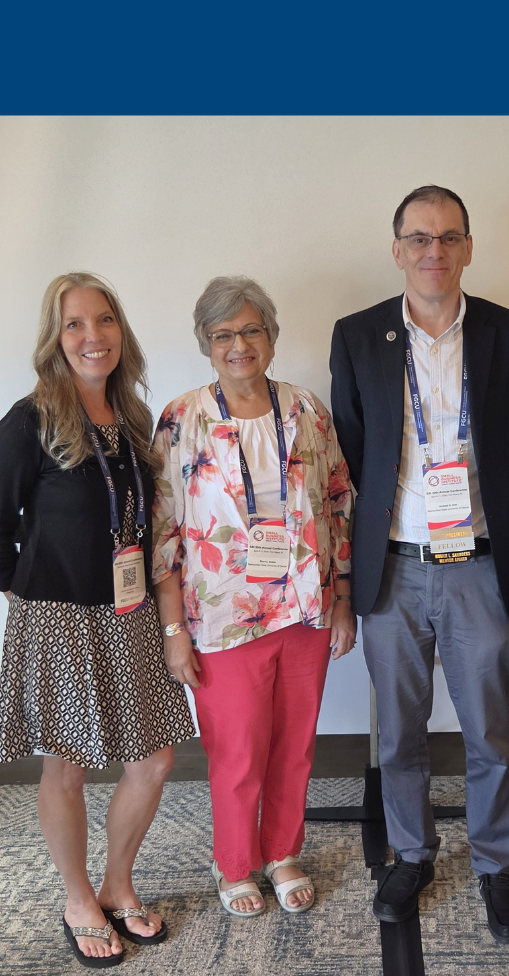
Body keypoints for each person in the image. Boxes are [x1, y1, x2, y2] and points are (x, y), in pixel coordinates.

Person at [327, 186, 509, 943]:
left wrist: (476, 519)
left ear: (469, 248)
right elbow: (354, 450)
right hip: (394, 567)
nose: (434, 252)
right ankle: (412, 854)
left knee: (490, 728)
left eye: (449, 238)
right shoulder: (358, 336)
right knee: (400, 732)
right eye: (419, 239)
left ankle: (495, 864)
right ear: (397, 251)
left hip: (477, 565)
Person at [0, 271, 196, 969]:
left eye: (103, 320)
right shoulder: (30, 419)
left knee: (154, 759)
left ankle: (116, 882)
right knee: (66, 767)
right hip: (59, 618)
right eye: (74, 324)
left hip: (128, 613)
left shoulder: (133, 418)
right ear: (55, 337)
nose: (91, 335)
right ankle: (77, 899)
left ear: (119, 331)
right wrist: (24, 592)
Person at [149, 276, 356, 918]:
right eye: (223, 334)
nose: (239, 344)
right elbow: (161, 531)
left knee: (293, 744)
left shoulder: (306, 411)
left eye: (250, 330)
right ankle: (235, 862)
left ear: (270, 335)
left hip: (305, 608)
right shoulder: (183, 419)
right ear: (206, 345)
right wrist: (173, 631)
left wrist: (342, 597)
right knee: (236, 750)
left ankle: (283, 852)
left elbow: (338, 502)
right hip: (221, 616)